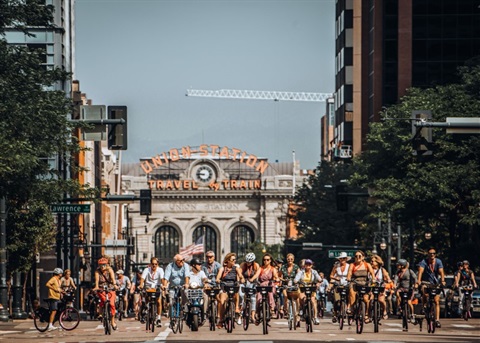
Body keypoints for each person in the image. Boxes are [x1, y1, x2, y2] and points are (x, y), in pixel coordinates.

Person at [416, 248, 446, 328]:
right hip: (426, 282)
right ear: (428, 254)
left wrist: (443, 281)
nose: (432, 255)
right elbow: (420, 272)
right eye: (430, 253)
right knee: (425, 293)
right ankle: (424, 306)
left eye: (434, 253)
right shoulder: (424, 262)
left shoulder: (438, 261)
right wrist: (418, 281)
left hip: (435, 283)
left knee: (436, 301)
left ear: (435, 254)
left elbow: (441, 272)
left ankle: (437, 320)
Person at [216, 252, 244, 328]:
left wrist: (242, 279)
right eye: (233, 260)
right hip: (225, 287)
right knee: (222, 300)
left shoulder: (236, 268)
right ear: (228, 261)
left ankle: (237, 308)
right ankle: (221, 320)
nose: (234, 261)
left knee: (237, 292)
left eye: (235, 260)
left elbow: (241, 276)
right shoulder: (222, 269)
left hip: (233, 286)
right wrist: (218, 280)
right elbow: (218, 277)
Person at [346, 250, 375, 319]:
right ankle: (352, 308)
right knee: (352, 292)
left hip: (365, 282)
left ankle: (367, 313)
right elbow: (349, 273)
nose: (358, 258)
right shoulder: (352, 265)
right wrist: (348, 278)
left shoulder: (367, 265)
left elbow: (372, 273)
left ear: (363, 257)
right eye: (356, 256)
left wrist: (373, 279)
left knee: (366, 298)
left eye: (359, 256)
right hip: (355, 282)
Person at [162, 254, 191, 319]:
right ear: (176, 261)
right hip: (173, 286)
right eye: (181, 261)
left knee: (185, 293)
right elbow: (166, 277)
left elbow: (187, 276)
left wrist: (186, 284)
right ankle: (171, 316)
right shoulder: (170, 266)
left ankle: (184, 307)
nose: (183, 262)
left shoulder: (185, 266)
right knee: (171, 298)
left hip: (182, 286)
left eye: (183, 260)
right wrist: (164, 285)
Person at [92, 257, 117, 330]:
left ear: (107, 265)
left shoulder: (110, 270)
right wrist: (96, 287)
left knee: (112, 304)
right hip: (101, 288)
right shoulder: (97, 271)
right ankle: (101, 313)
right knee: (103, 300)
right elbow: (97, 280)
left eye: (104, 265)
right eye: (101, 265)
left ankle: (112, 321)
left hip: (110, 288)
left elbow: (113, 279)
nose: (102, 267)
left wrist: (115, 285)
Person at [294, 259, 321, 325]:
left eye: (309, 264)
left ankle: (315, 317)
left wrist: (319, 281)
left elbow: (319, 278)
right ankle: (301, 310)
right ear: (304, 265)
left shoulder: (314, 272)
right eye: (306, 264)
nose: (308, 266)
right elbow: (296, 279)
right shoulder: (301, 272)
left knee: (313, 301)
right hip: (303, 287)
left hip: (311, 288)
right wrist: (296, 281)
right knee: (301, 298)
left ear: (312, 265)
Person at [140, 257, 164, 326]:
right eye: (152, 264)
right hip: (148, 287)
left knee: (159, 301)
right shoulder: (146, 270)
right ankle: (145, 311)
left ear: (157, 264)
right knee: (145, 299)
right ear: (150, 264)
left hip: (157, 287)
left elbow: (162, 279)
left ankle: (159, 318)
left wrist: (163, 285)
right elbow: (142, 278)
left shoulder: (160, 270)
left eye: (156, 264)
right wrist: (141, 285)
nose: (154, 266)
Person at [328, 251, 350, 323]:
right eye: (341, 258)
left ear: (346, 259)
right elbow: (331, 275)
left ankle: (348, 309)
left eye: (344, 258)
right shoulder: (336, 266)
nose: (342, 260)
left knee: (349, 297)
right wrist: (335, 278)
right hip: (338, 284)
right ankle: (335, 312)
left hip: (346, 284)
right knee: (337, 300)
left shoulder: (349, 266)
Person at [279, 253, 301, 327]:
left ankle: (297, 313)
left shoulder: (296, 267)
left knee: (298, 297)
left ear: (293, 259)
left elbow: (299, 274)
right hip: (286, 285)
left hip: (294, 285)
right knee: (285, 295)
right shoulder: (283, 267)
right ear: (286, 259)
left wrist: (297, 280)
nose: (290, 260)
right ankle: (286, 310)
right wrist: (283, 279)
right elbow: (280, 276)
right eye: (288, 259)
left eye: (291, 259)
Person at [369, 254, 392, 321]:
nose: (371, 263)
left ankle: (384, 311)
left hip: (380, 287)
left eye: (373, 261)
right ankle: (369, 314)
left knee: (381, 300)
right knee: (370, 300)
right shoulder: (369, 269)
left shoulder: (382, 270)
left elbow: (387, 276)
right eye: (371, 261)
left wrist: (389, 280)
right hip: (371, 287)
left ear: (377, 262)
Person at [239, 252, 260, 322]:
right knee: (241, 295)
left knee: (253, 298)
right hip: (244, 282)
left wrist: (253, 279)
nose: (248, 263)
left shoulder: (256, 265)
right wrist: (241, 278)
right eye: (247, 262)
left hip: (252, 282)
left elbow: (257, 274)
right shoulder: (243, 265)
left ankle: (253, 315)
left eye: (250, 262)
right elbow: (239, 272)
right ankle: (240, 313)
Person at [188, 257, 209, 324]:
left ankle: (204, 313)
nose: (200, 266)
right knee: (183, 298)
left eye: (200, 264)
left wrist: (205, 283)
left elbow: (204, 279)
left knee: (205, 297)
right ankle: (184, 312)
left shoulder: (201, 272)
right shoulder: (188, 273)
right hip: (190, 292)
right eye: (199, 264)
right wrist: (186, 285)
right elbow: (186, 280)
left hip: (199, 292)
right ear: (193, 265)